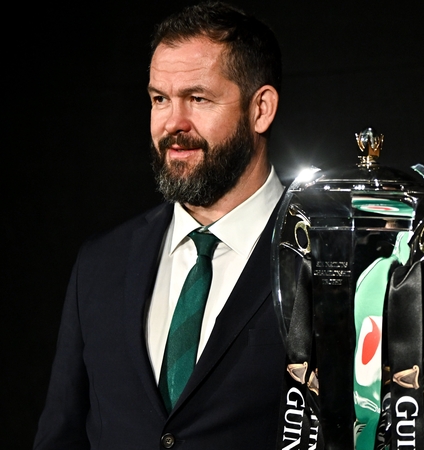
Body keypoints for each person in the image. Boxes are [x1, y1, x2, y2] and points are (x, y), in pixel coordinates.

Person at [34, 2, 287, 449]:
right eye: (159, 99)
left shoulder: (329, 263)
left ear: (260, 109)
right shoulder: (101, 262)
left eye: (198, 99)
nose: (173, 123)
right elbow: (61, 434)